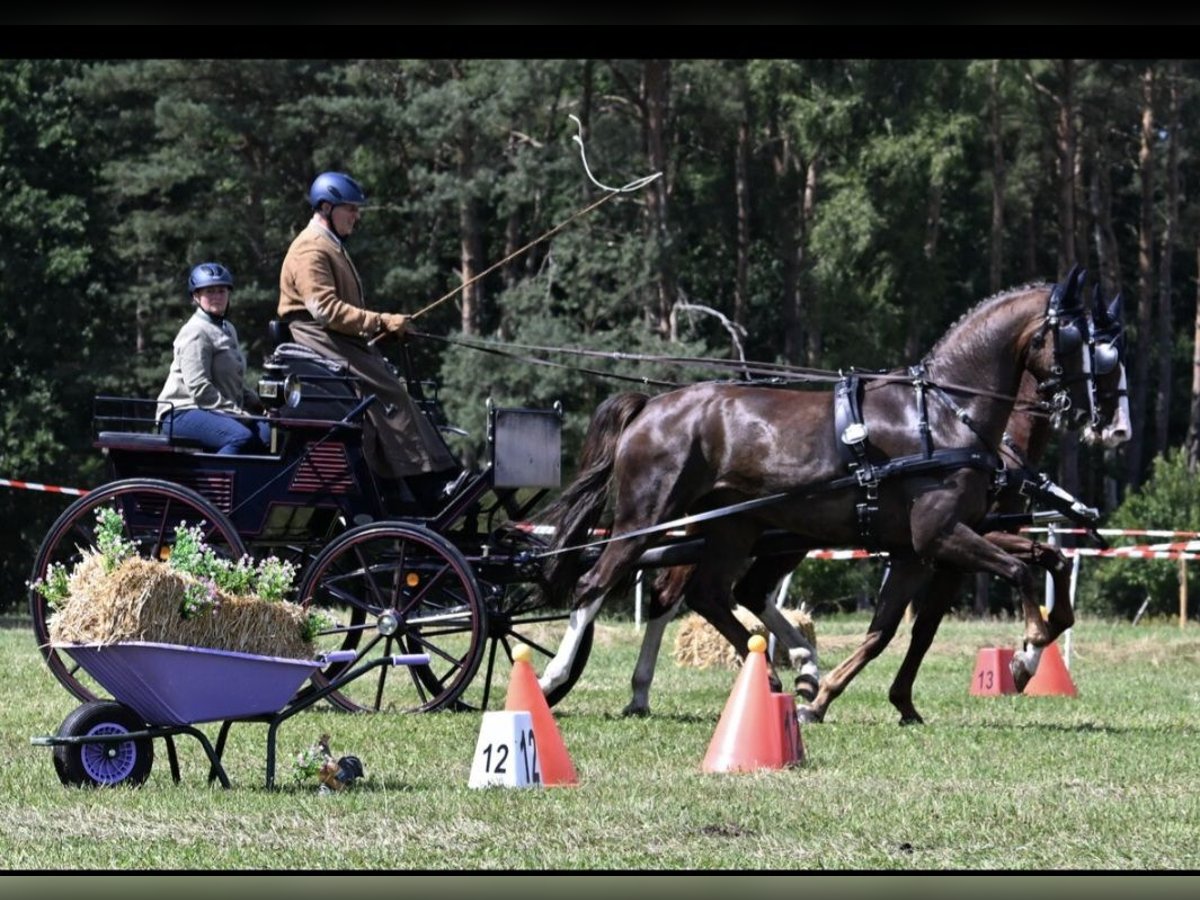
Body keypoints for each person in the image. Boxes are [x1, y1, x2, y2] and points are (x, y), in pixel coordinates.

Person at [276, 170, 460, 510]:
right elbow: (326, 311)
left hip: (337, 340)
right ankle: (428, 487)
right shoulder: (310, 249)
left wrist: (381, 331)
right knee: (388, 392)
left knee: (395, 387)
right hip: (318, 341)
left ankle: (413, 484)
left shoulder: (329, 246)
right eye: (351, 209)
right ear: (327, 208)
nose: (356, 216)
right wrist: (381, 321)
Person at [156, 262, 270, 454]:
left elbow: (234, 382)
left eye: (221, 291)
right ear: (196, 296)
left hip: (212, 410)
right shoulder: (195, 331)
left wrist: (260, 404)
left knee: (269, 434)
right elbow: (200, 388)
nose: (217, 296)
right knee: (239, 436)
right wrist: (239, 414)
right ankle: (214, 484)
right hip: (182, 412)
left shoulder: (227, 329)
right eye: (210, 291)